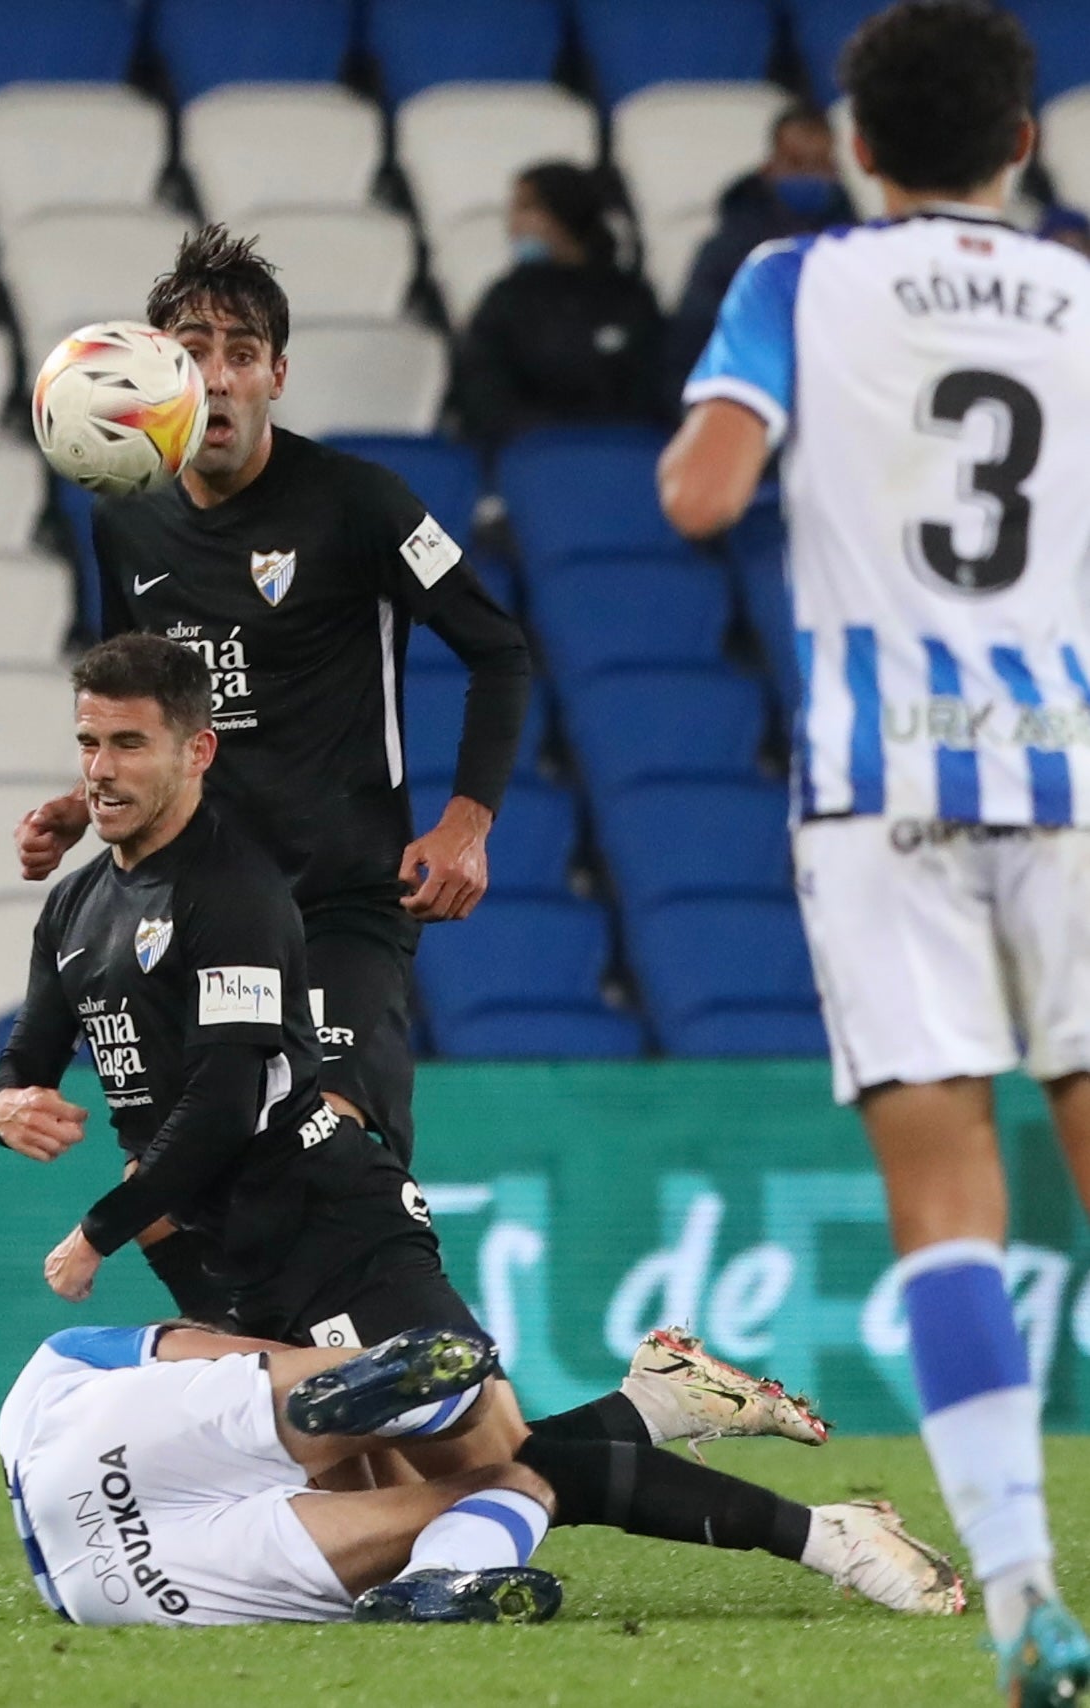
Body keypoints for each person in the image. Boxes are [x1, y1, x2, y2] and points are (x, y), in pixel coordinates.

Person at [0, 634, 961, 1618]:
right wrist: (7, 1104)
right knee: (409, 1502)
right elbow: (30, 1048)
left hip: (325, 1228)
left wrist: (98, 1229)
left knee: (506, 1465)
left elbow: (227, 1101)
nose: (102, 769)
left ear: (196, 751)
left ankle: (834, 1536)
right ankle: (651, 1408)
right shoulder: (75, 904)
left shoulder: (233, 895)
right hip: (215, 1252)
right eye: (89, 742)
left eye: (129, 743)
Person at [655, 5, 1090, 1702]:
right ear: (1022, 143)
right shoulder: (1081, 292)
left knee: (947, 1197)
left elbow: (699, 490)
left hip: (877, 785)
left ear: (854, 144)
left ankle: (1018, 1586)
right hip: (1065, 773)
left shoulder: (793, 279)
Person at [15, 224, 532, 1321]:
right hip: (217, 917)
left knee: (328, 1129)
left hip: (343, 902)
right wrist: (87, 800)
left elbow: (500, 648)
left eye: (241, 351)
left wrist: (468, 819)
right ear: (157, 371)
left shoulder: (363, 502)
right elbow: (138, 695)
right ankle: (321, 1394)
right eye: (192, 348)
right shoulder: (128, 520)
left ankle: (429, 1370)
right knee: (190, 1181)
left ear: (276, 375)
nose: (216, 374)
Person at [0, 1319, 964, 1629]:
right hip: (111, 1472)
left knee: (505, 1476)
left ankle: (438, 1564)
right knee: (511, 1475)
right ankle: (387, 1408)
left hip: (102, 1580)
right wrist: (292, 1365)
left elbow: (99, 1344)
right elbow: (166, 1344)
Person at [455, 161, 669, 448]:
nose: (512, 224)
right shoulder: (505, 300)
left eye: (526, 208)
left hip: (619, 458)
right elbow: (484, 393)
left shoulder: (629, 297)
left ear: (563, 213)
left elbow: (653, 390)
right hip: (530, 459)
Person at [666, 103, 855, 399]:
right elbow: (693, 337)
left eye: (818, 164)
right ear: (770, 166)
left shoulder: (858, 246)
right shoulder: (727, 247)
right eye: (795, 163)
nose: (808, 175)